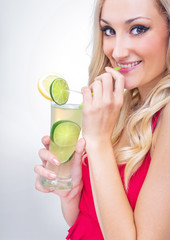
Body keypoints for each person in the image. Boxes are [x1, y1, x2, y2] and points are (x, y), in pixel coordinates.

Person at [34, 0, 170, 239]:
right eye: (108, 31)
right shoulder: (120, 107)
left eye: (138, 28)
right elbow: (88, 223)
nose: (117, 52)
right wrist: (72, 195)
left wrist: (97, 141)